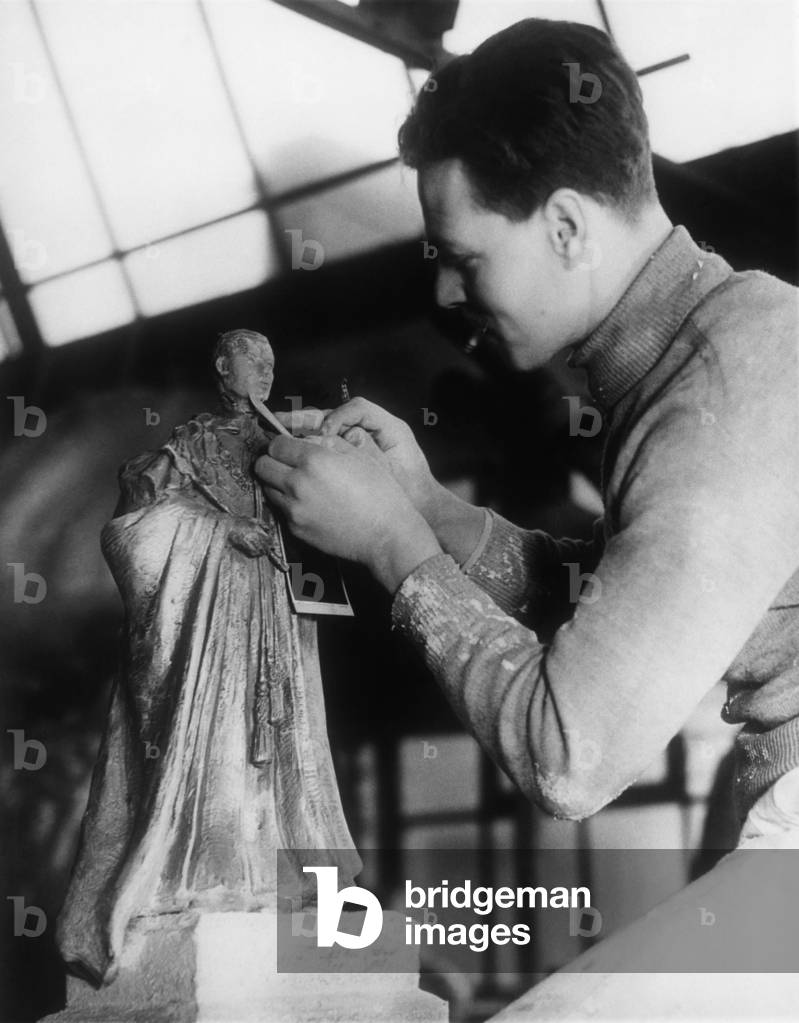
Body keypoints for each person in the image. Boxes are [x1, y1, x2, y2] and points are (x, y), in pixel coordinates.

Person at [254, 18, 799, 1016]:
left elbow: (569, 753)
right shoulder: (711, 338)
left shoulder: (729, 383)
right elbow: (610, 594)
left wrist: (391, 542)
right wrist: (426, 506)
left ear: (563, 228)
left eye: (464, 256)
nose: (446, 290)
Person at [57, 329, 358, 986]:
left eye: (274, 361)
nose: (267, 373)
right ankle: (210, 871)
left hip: (277, 620)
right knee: (216, 740)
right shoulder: (183, 451)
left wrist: (336, 467)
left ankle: (299, 883)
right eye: (255, 360)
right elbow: (131, 532)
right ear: (224, 366)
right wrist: (222, 531)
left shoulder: (287, 447)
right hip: (210, 626)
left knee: (289, 749)